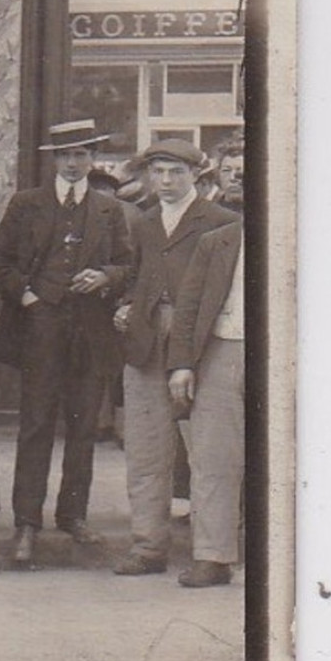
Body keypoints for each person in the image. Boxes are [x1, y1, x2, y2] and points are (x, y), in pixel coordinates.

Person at [0, 119, 132, 566]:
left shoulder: (109, 209)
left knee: (83, 426)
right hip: (40, 329)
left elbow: (127, 264)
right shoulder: (27, 204)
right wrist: (28, 296)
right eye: (66, 155)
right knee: (36, 426)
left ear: (93, 159)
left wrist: (105, 276)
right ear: (54, 159)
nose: (74, 162)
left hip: (91, 331)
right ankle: (26, 523)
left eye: (82, 154)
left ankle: (73, 515)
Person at [112, 138, 238, 576]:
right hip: (147, 344)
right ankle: (148, 547)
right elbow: (139, 274)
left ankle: (212, 555)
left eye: (176, 173)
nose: (166, 181)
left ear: (196, 177)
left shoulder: (220, 222)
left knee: (209, 453)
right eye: (159, 172)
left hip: (205, 346)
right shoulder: (145, 222)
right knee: (146, 450)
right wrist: (129, 303)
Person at [166, 220, 244, 588]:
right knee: (214, 457)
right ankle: (213, 556)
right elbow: (189, 305)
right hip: (222, 350)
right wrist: (182, 364)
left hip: (295, 354)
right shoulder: (217, 241)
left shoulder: (321, 235)